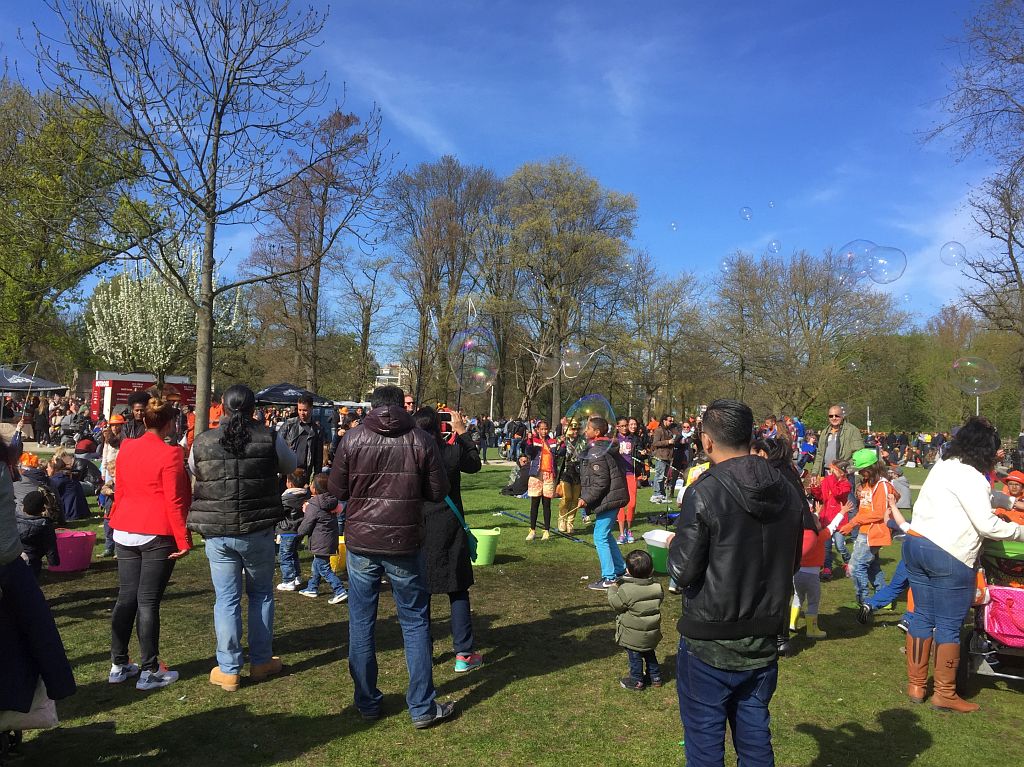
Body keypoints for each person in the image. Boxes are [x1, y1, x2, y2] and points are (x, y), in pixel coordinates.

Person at [667, 399, 803, 767]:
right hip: (763, 633)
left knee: (706, 742)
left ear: (707, 442)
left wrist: (674, 543)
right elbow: (792, 560)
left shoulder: (706, 489)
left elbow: (682, 571)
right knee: (755, 734)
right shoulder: (788, 488)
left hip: (711, 636)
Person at [327, 385, 453, 729]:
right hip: (401, 541)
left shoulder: (353, 439)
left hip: (366, 541)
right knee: (413, 622)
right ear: (402, 407)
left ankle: (370, 701)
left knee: (363, 622)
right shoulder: (420, 440)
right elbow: (438, 491)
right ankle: (420, 707)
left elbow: (336, 490)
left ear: (372, 407)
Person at [903, 416, 1024, 712]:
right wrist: (1021, 531)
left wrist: (1009, 502)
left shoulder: (944, 466)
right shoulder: (971, 475)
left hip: (916, 544)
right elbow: (987, 525)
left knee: (921, 616)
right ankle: (945, 693)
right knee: (949, 624)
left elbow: (979, 496)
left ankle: (916, 685)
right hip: (949, 554)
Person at [188, 385, 297, 693]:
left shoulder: (203, 441)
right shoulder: (269, 437)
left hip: (218, 532)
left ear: (221, 407)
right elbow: (290, 465)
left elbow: (194, 470)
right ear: (254, 408)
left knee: (226, 600)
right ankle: (261, 661)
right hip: (257, 530)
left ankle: (229, 668)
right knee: (261, 595)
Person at [107, 397, 192, 691]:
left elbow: (122, 487)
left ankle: (119, 664)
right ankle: (149, 669)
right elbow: (175, 499)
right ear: (170, 424)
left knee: (127, 597)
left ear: (145, 420)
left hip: (125, 527)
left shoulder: (128, 447)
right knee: (146, 601)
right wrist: (184, 539)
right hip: (155, 531)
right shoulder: (171, 454)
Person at [415, 406, 484, 673]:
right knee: (457, 589)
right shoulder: (450, 452)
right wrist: (463, 432)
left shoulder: (412, 453)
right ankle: (463, 653)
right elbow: (474, 463)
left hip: (420, 526)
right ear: (438, 427)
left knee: (422, 592)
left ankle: (423, 650)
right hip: (449, 526)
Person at [835, 449, 893, 608]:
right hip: (865, 530)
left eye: (862, 470)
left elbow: (879, 513)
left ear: (872, 467)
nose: (860, 473)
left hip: (874, 531)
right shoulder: (869, 484)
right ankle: (884, 599)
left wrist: (852, 523)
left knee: (855, 567)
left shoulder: (882, 485)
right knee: (872, 566)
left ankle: (864, 602)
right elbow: (866, 509)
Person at [579, 416, 630, 590]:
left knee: (599, 536)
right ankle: (620, 569)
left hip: (610, 498)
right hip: (610, 498)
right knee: (606, 535)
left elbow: (601, 482)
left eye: (588, 428)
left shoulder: (597, 452)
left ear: (597, 432)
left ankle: (609, 578)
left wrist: (585, 498)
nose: (585, 431)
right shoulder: (603, 447)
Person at [609, 549, 664, 690]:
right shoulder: (657, 588)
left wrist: (613, 588)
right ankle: (656, 677)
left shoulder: (626, 590)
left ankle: (637, 680)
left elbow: (616, 604)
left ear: (627, 570)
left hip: (633, 635)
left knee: (635, 656)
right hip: (651, 633)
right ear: (651, 570)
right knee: (650, 653)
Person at [296, 473, 348, 604]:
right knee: (317, 564)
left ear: (315, 489)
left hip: (320, 541)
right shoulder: (332, 501)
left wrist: (298, 533)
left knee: (323, 567)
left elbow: (307, 524)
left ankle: (339, 590)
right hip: (329, 539)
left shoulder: (314, 504)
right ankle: (312, 587)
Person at [807, 459, 852, 580]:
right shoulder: (827, 480)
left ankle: (849, 562)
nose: (831, 472)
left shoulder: (846, 484)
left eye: (834, 470)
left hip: (839, 519)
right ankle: (827, 568)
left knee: (839, 545)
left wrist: (831, 478)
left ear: (842, 472)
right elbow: (820, 496)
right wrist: (815, 489)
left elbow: (838, 493)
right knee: (826, 547)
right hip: (826, 518)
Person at [523, 420, 559, 541]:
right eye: (541, 429)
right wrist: (529, 440)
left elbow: (560, 453)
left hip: (549, 475)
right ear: (537, 429)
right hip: (536, 475)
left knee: (547, 504)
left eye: (545, 429)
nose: (544, 431)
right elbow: (528, 452)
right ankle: (532, 530)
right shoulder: (534, 441)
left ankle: (546, 530)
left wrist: (562, 444)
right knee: (535, 503)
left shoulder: (552, 441)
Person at [276, 469, 310, 591]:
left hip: (287, 530)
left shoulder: (286, 498)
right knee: (293, 554)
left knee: (284, 556)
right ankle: (297, 576)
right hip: (299, 530)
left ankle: (288, 580)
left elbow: (279, 513)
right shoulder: (306, 495)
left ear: (289, 483)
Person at [809, 404, 863, 477]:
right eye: (831, 416)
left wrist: (847, 470)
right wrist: (814, 473)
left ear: (842, 416)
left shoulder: (852, 430)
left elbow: (859, 454)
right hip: (826, 473)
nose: (834, 418)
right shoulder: (824, 432)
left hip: (844, 475)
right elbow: (819, 454)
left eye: (836, 415)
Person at [278, 394, 325, 477]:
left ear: (311, 409)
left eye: (305, 410)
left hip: (304, 473)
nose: (302, 413)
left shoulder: (317, 430)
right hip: (287, 470)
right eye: (299, 410)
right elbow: (277, 445)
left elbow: (318, 458)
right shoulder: (289, 424)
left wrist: (317, 477)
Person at [16, 490, 60, 577]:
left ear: (23, 507)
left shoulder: (14, 520)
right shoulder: (44, 525)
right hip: (33, 560)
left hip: (14, 557)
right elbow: (50, 546)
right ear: (43, 509)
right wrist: (54, 562)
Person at [556, 420, 586, 533]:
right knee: (567, 497)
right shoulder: (562, 439)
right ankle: (562, 519)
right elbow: (558, 452)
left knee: (575, 499)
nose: (575, 431)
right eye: (573, 429)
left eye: (577, 429)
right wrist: (562, 443)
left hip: (578, 471)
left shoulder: (582, 441)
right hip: (566, 471)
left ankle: (570, 522)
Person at [614, 418, 638, 544]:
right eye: (622, 426)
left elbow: (639, 453)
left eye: (626, 426)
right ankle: (622, 533)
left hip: (631, 474)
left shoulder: (632, 439)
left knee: (632, 503)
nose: (624, 428)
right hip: (619, 474)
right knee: (621, 504)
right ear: (617, 427)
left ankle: (629, 530)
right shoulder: (614, 440)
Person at [650, 414, 675, 503]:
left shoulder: (669, 431)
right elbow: (655, 443)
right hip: (661, 456)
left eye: (672, 421)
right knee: (659, 476)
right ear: (664, 421)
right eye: (670, 420)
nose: (671, 422)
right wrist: (668, 442)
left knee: (664, 477)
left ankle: (662, 494)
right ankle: (656, 494)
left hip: (668, 457)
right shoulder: (658, 430)